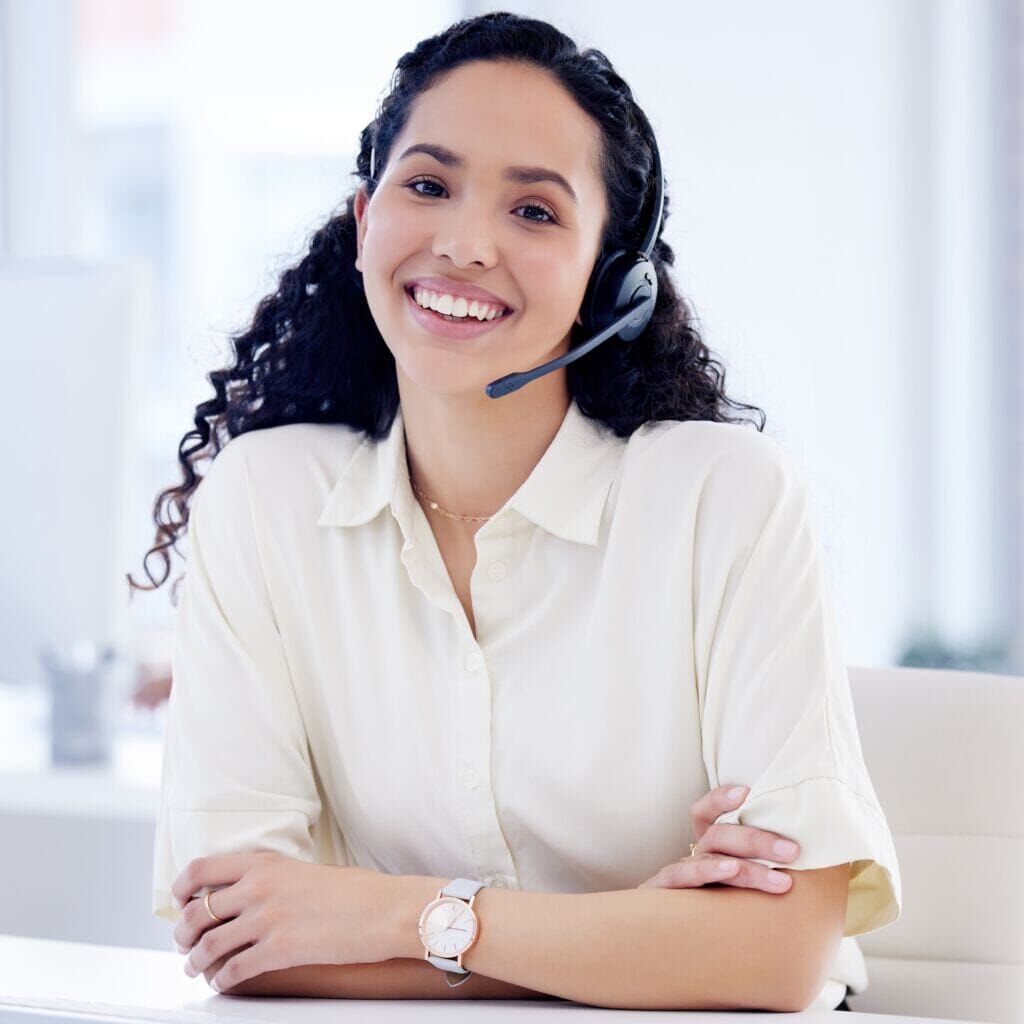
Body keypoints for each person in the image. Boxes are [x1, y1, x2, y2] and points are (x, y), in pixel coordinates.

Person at [129, 11, 899, 1011]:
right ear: (364, 221)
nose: (464, 243)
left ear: (610, 279)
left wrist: (393, 917)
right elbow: (241, 935)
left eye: (534, 212)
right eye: (427, 185)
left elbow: (779, 952)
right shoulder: (265, 500)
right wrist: (646, 940)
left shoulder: (725, 497)